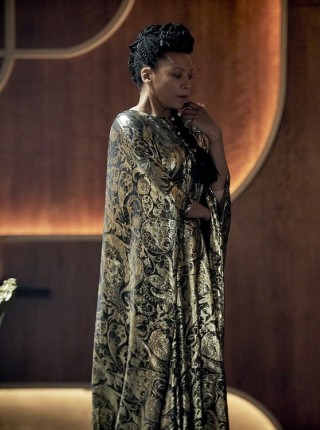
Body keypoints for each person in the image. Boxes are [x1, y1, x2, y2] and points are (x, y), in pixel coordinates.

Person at [91, 23, 231, 429]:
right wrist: (201, 209)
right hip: (152, 274)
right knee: (154, 368)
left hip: (191, 268)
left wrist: (216, 138)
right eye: (177, 75)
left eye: (190, 76)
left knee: (196, 361)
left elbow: (218, 195)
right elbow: (165, 194)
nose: (187, 84)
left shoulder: (189, 130)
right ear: (148, 74)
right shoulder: (128, 126)